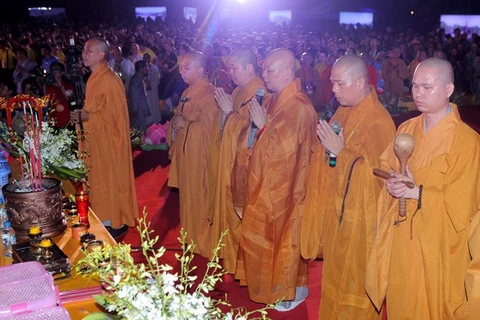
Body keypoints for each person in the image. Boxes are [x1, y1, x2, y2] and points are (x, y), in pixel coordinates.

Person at [366, 58, 480, 319]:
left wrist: (417, 193)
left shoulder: (467, 142)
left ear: (449, 89)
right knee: (402, 300)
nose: (418, 93)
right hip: (403, 238)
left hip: (438, 247)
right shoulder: (407, 128)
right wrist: (391, 182)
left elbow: (464, 205)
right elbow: (385, 166)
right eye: (415, 86)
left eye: (427, 87)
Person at [301, 55, 396, 319]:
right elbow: (327, 157)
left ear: (360, 82)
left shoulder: (380, 122)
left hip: (362, 225)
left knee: (355, 282)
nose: (333, 90)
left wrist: (340, 153)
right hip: (337, 214)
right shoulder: (343, 111)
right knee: (332, 277)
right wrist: (327, 152)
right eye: (332, 83)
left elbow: (379, 179)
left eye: (340, 84)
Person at [235, 48, 317, 310]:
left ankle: (292, 291)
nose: (265, 75)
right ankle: (271, 287)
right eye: (264, 69)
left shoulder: (300, 107)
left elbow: (287, 154)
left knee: (285, 239)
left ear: (286, 71)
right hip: (265, 185)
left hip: (287, 189)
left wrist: (264, 127)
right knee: (263, 238)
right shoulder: (273, 99)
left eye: (270, 70)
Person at [72, 37, 138, 239]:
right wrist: (83, 116)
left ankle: (112, 221)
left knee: (107, 181)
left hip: (108, 143)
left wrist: (87, 116)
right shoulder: (94, 77)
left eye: (88, 50)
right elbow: (96, 108)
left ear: (101, 54)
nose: (84, 54)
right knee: (96, 181)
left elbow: (115, 117)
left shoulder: (110, 80)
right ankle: (102, 218)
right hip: (96, 141)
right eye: (84, 50)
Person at [210, 47, 268, 274]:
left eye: (234, 67)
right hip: (229, 162)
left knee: (240, 216)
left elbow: (250, 134)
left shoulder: (259, 94)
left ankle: (244, 265)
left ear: (249, 67)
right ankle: (232, 261)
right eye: (229, 67)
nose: (230, 72)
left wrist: (229, 113)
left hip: (243, 166)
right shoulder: (238, 92)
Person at [167, 51, 219, 258]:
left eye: (186, 67)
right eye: (180, 66)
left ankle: (204, 243)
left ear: (200, 70)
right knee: (188, 199)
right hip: (187, 156)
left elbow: (209, 131)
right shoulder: (188, 91)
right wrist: (178, 122)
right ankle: (190, 238)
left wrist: (185, 125)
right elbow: (178, 117)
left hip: (201, 160)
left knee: (200, 199)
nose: (181, 71)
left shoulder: (209, 94)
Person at [45, 62, 74, 128]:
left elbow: (68, 98)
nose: (54, 72)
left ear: (62, 73)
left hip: (67, 120)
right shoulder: (49, 87)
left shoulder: (68, 85)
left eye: (56, 70)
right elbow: (46, 101)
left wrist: (60, 84)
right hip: (54, 120)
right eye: (52, 70)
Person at [128, 60, 151, 131]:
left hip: (142, 110)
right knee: (140, 130)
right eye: (146, 67)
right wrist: (134, 109)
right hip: (138, 111)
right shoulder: (135, 80)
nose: (148, 69)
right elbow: (134, 95)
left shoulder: (140, 78)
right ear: (141, 69)